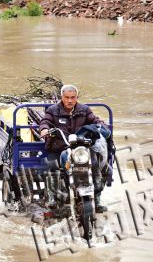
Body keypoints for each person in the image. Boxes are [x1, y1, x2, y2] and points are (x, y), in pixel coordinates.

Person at [39, 84, 108, 213]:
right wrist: (44, 129)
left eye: (73, 97)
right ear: (62, 97)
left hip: (80, 148)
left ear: (77, 97)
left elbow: (94, 120)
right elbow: (45, 121)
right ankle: (52, 197)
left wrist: (101, 125)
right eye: (67, 97)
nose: (70, 100)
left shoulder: (84, 110)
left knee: (99, 166)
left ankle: (97, 199)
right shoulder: (53, 110)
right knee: (51, 166)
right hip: (59, 147)